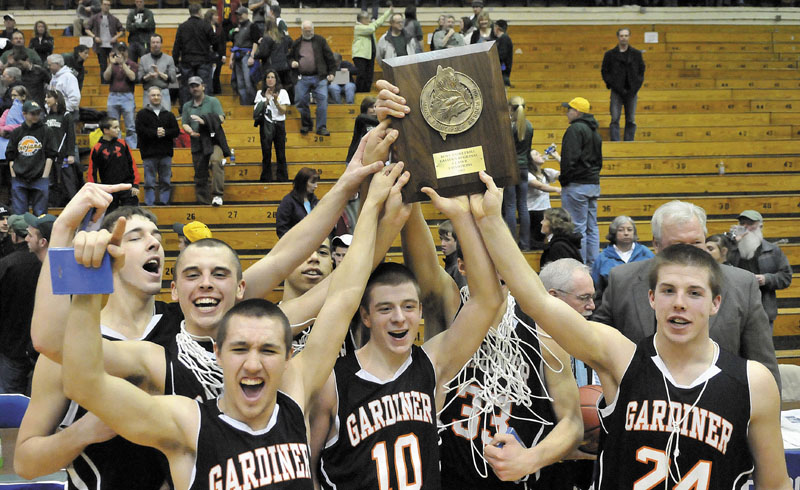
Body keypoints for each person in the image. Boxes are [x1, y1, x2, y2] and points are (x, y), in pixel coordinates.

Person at [58, 161, 406, 490]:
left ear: (288, 357)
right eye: (239, 349)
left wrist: (374, 207)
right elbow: (82, 381)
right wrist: (86, 282)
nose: (253, 363)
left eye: (268, 350)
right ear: (217, 354)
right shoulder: (186, 423)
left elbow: (345, 294)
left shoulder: (293, 394)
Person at [470, 171, 790, 490]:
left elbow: (774, 485)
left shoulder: (754, 382)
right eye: (668, 291)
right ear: (651, 298)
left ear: (715, 303)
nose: (679, 303)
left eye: (694, 293)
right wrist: (491, 221)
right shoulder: (620, 358)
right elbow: (538, 301)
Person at [314, 170, 504, 490]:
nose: (400, 318)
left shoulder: (431, 364)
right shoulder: (332, 380)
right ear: (366, 316)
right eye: (386, 309)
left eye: (409, 307)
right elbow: (304, 467)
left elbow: (487, 299)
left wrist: (460, 217)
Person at [593, 200, 781, 389]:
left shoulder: (741, 284)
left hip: (720, 408)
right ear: (656, 245)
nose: (689, 252)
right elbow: (596, 346)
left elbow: (764, 367)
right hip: (641, 408)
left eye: (697, 243)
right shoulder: (622, 280)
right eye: (678, 244)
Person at [0, 213, 54, 394]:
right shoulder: (63, 269)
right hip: (41, 354)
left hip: (21, 350)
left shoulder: (9, 264)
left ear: (43, 242)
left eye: (31, 235)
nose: (27, 238)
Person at [550, 96, 602, 267]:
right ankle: (593, 266)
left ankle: (579, 267)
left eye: (569, 109)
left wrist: (564, 180)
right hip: (592, 184)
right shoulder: (595, 131)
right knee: (592, 227)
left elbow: (568, 159)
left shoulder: (575, 130)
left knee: (577, 227)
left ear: (577, 111)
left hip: (577, 185)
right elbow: (599, 161)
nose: (567, 113)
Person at [728, 209, 792, 328]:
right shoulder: (730, 249)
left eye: (750, 223)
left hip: (764, 312)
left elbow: (786, 277)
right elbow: (719, 267)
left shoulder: (773, 250)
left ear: (760, 226)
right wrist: (730, 244)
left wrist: (766, 279)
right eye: (742, 223)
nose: (746, 227)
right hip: (735, 312)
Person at [181, 76, 226, 206]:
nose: (194, 88)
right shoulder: (187, 106)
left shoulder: (213, 101)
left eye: (197, 85)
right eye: (192, 86)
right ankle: (203, 203)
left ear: (203, 86)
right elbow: (185, 123)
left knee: (216, 161)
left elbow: (221, 118)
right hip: (197, 141)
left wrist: (204, 120)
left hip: (213, 140)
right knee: (200, 173)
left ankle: (217, 195)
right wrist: (190, 131)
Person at [7, 100, 56, 216]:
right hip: (19, 178)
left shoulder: (46, 131)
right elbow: (10, 155)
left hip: (40, 178)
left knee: (40, 215)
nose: (36, 116)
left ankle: (38, 235)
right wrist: (14, 174)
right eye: (32, 113)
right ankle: (21, 235)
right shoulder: (17, 132)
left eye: (38, 113)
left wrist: (45, 175)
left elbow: (51, 154)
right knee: (19, 216)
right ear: (24, 114)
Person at [591, 215, 654, 302]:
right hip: (612, 303)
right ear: (614, 232)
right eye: (621, 230)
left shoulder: (646, 254)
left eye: (629, 229)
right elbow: (597, 288)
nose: (626, 233)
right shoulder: (603, 257)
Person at [290, 21, 336, 137]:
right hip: (302, 77)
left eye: (310, 30)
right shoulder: (297, 43)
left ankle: (321, 127)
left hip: (319, 77)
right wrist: (292, 62)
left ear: (313, 29)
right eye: (306, 30)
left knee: (323, 100)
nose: (308, 32)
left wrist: (332, 72)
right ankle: (307, 124)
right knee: (300, 100)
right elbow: (289, 57)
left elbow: (329, 57)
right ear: (302, 31)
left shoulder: (320, 41)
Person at [136, 87, 179, 206]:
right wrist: (155, 132)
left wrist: (165, 132)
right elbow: (139, 130)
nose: (156, 97)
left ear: (161, 96)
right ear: (148, 97)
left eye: (158, 95)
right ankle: (150, 204)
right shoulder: (142, 114)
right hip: (148, 153)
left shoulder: (169, 115)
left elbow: (176, 131)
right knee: (149, 181)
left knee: (165, 180)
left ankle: (164, 202)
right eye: (153, 95)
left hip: (165, 153)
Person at [601, 28, 645, 142]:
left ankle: (629, 142)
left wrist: (635, 86)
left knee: (631, 119)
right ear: (618, 37)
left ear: (629, 37)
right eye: (621, 36)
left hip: (632, 91)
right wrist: (611, 84)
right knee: (615, 118)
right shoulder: (610, 54)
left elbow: (641, 71)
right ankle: (615, 141)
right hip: (616, 90)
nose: (624, 38)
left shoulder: (636, 54)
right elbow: (605, 71)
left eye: (626, 35)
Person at [87, 117, 140, 213]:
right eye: (115, 127)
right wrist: (94, 191)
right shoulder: (97, 148)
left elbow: (132, 164)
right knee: (110, 218)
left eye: (118, 127)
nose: (118, 130)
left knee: (132, 215)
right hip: (109, 190)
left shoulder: (123, 144)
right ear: (106, 130)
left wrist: (135, 184)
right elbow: (92, 172)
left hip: (127, 187)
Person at [173, 3, 216, 106]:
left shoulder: (182, 27)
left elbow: (177, 46)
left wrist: (175, 62)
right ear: (200, 12)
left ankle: (185, 110)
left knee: (186, 87)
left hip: (187, 61)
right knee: (205, 86)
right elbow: (214, 42)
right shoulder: (206, 25)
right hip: (204, 60)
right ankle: (206, 111)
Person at [503, 96, 532, 250]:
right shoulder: (529, 126)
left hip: (510, 168)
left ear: (510, 108)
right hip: (524, 168)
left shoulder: (508, 126)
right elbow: (527, 151)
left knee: (509, 205)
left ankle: (512, 244)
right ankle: (525, 244)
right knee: (523, 205)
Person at [43, 89, 80, 207]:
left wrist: (71, 154)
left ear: (57, 99)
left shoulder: (66, 115)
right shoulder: (47, 117)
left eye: (49, 97)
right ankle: (54, 204)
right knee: (52, 182)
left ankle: (73, 206)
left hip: (63, 155)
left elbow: (70, 135)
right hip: (50, 155)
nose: (46, 99)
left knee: (67, 182)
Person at [254, 69, 289, 183]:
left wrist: (275, 100)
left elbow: (283, 111)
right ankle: (266, 178)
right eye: (268, 77)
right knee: (266, 152)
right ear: (265, 80)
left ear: (276, 79)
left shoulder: (282, 92)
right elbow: (256, 111)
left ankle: (282, 178)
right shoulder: (260, 93)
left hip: (279, 124)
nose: (270, 79)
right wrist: (267, 101)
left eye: (272, 77)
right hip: (266, 124)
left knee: (281, 153)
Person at [103, 43, 138, 149]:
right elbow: (106, 77)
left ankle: (131, 149)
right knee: (113, 125)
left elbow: (132, 77)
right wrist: (110, 64)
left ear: (127, 52)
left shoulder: (132, 64)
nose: (121, 53)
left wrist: (123, 64)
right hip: (113, 95)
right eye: (119, 51)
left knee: (130, 126)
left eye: (123, 51)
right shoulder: (112, 65)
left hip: (127, 96)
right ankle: (115, 147)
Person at [352, 7, 392, 93]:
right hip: (360, 55)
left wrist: (387, 13)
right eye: (366, 18)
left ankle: (366, 93)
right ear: (361, 19)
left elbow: (378, 23)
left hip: (370, 54)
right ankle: (359, 93)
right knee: (361, 74)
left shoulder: (368, 26)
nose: (369, 20)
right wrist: (374, 22)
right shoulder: (358, 27)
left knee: (369, 76)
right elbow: (372, 28)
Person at [527, 149, 560, 250]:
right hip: (533, 211)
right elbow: (540, 186)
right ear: (530, 160)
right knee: (536, 241)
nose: (540, 154)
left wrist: (557, 157)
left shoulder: (546, 172)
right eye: (536, 154)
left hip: (545, 210)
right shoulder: (528, 174)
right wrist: (557, 189)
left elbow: (567, 173)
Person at [228, 6, 261, 106]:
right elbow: (235, 44)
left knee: (248, 82)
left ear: (246, 14)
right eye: (238, 15)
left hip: (247, 55)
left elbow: (256, 42)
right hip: (238, 56)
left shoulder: (252, 26)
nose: (239, 17)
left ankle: (254, 105)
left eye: (241, 14)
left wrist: (252, 56)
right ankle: (244, 106)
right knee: (240, 84)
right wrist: (231, 59)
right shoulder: (237, 28)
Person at [85, 0, 125, 82]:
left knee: (114, 65)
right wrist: (94, 37)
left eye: (108, 5)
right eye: (105, 4)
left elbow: (122, 30)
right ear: (101, 6)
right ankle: (104, 84)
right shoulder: (95, 18)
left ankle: (113, 83)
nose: (106, 6)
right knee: (103, 66)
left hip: (112, 46)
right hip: (100, 46)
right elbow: (87, 29)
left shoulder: (114, 19)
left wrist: (115, 37)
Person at [253, 17, 292, 99]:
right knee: (283, 90)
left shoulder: (267, 38)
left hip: (271, 68)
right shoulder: (282, 37)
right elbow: (290, 44)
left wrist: (257, 49)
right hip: (284, 68)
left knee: (270, 90)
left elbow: (262, 53)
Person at [276, 167, 318, 238]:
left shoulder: (314, 200)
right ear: (303, 182)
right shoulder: (288, 201)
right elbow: (282, 229)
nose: (316, 186)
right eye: (312, 182)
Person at [138, 34, 176, 110]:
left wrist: (159, 73)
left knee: (165, 118)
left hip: (163, 92)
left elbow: (173, 79)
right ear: (150, 44)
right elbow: (139, 79)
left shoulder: (169, 59)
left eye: (157, 42)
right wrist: (149, 76)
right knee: (147, 118)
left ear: (161, 44)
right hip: (148, 92)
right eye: (153, 42)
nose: (155, 44)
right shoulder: (143, 59)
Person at [438, 219, 466, 290]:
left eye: (447, 240)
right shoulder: (450, 263)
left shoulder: (458, 268)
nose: (442, 244)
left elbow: (462, 298)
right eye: (441, 239)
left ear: (458, 240)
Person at [204, 9, 227, 95]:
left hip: (218, 54)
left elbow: (223, 42)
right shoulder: (204, 26)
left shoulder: (219, 28)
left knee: (216, 74)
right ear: (210, 16)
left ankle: (217, 92)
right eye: (215, 15)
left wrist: (224, 55)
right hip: (207, 55)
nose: (217, 17)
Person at [0, 85, 24, 165]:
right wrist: (3, 130)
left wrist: (7, 129)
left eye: (15, 95)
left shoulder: (27, 111)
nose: (13, 98)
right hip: (4, 143)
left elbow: (24, 125)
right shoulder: (7, 111)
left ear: (23, 96)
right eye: (12, 95)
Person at [494, 20, 513, 86]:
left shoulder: (504, 38)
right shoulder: (499, 39)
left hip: (502, 74)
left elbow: (501, 56)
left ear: (497, 27)